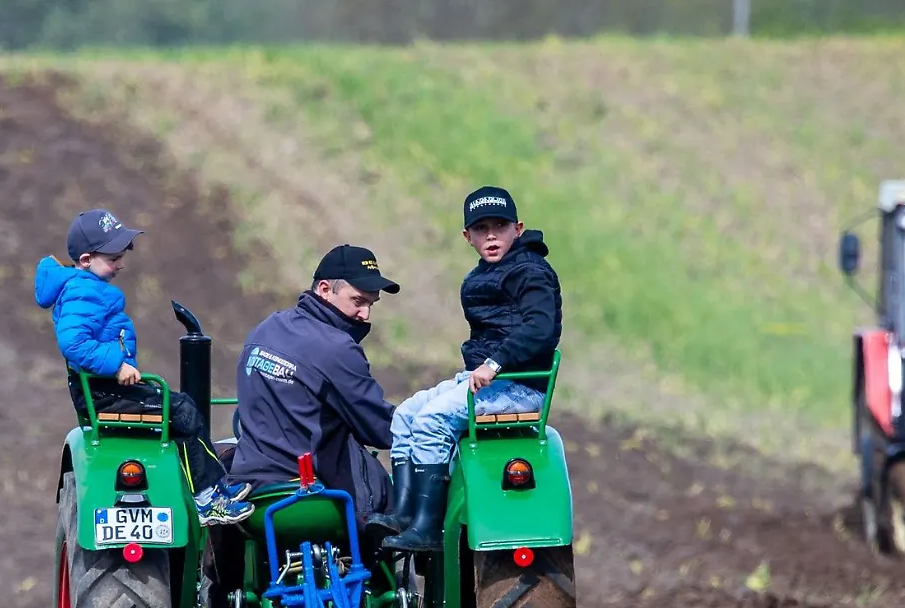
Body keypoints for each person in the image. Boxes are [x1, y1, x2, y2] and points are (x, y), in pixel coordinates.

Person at [370, 186, 562, 552]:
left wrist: (495, 362)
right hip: (487, 379)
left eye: (500, 226)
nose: (491, 235)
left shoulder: (531, 271)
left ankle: (428, 529)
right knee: (408, 415)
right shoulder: (489, 271)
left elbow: (540, 327)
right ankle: (406, 514)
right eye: (481, 228)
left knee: (433, 421)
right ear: (467, 236)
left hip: (517, 386)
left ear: (518, 228)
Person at [37, 207, 252, 526]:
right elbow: (74, 343)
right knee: (182, 411)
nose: (121, 263)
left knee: (181, 409)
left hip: (106, 388)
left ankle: (214, 485)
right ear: (86, 260)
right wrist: (116, 366)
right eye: (113, 258)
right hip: (103, 392)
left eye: (122, 255)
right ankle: (207, 500)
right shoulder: (83, 291)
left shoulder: (85, 287)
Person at [229, 245, 400, 525]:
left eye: (371, 304)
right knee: (390, 506)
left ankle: (221, 568)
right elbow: (381, 430)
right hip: (309, 495)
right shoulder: (337, 348)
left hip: (250, 489)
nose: (365, 314)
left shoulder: (265, 328)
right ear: (324, 289)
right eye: (358, 301)